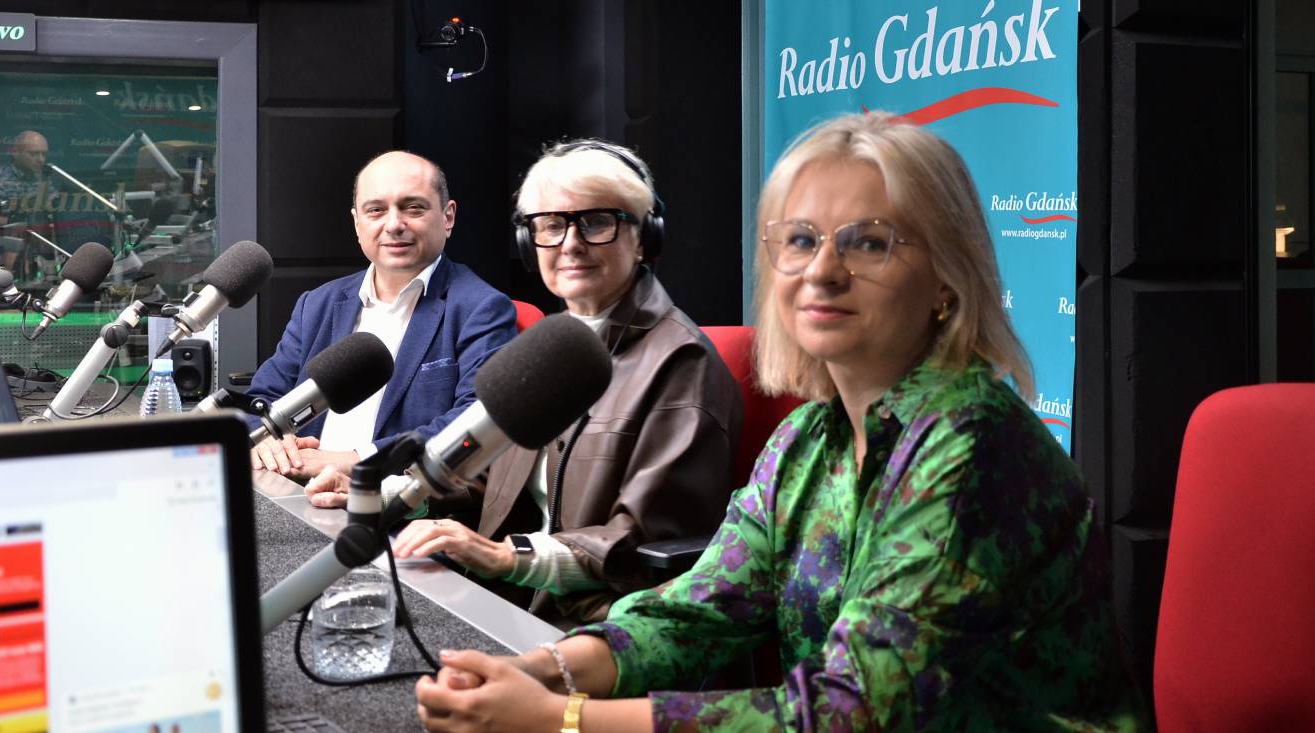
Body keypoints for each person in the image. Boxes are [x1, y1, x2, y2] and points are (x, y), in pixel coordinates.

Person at [412, 113, 1146, 731]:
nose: (821, 270)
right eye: (799, 240)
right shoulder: (806, 440)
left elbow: (856, 711)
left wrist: (559, 718)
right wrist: (542, 665)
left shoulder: (970, 441)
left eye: (868, 241)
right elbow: (698, 612)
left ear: (948, 281)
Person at [306, 140, 743, 627]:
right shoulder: (555, 348)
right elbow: (488, 479)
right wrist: (383, 491)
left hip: (602, 624)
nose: (570, 244)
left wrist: (502, 556)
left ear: (643, 238)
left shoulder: (681, 362)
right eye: (552, 226)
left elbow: (642, 542)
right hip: (504, 599)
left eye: (596, 222)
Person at [248, 150, 517, 480]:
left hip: (396, 510)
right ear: (357, 222)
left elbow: (475, 422)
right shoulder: (317, 305)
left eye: (412, 208)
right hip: (294, 491)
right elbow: (259, 401)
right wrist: (270, 444)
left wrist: (354, 460)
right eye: (376, 210)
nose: (393, 225)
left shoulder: (481, 308)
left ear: (448, 217)